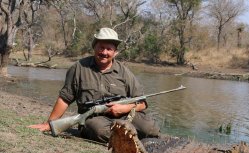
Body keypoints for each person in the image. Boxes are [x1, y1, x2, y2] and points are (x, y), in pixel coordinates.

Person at [29, 27, 160, 144]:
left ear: (115, 52)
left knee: (151, 129)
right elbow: (65, 98)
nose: (104, 52)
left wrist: (123, 109)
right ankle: (131, 139)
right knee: (99, 131)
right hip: (93, 118)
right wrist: (49, 124)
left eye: (109, 49)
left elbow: (142, 103)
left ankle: (125, 136)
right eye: (101, 47)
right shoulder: (78, 68)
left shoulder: (124, 72)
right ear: (94, 47)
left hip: (123, 115)